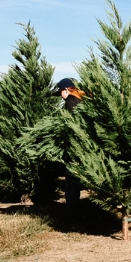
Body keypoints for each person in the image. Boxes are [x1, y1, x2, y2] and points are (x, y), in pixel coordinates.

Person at [52, 78, 85, 207]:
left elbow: (72, 124)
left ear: (66, 90)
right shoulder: (82, 98)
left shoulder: (70, 100)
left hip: (75, 143)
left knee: (71, 176)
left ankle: (72, 206)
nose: (61, 96)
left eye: (60, 92)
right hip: (84, 142)